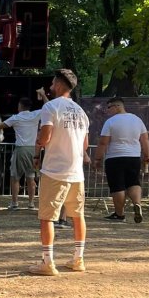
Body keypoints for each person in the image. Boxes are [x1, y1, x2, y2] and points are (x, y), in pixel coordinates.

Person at [29, 69, 90, 276]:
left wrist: (39, 142)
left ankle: (48, 262)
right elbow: (85, 145)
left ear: (60, 85)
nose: (51, 86)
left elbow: (45, 138)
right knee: (78, 215)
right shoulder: (81, 112)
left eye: (53, 83)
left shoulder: (50, 107)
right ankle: (78, 259)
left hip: (55, 170)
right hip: (76, 172)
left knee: (47, 217)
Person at [94, 97, 149, 223]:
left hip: (115, 158)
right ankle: (137, 203)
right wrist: (147, 155)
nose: (108, 110)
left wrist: (97, 158)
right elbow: (145, 139)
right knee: (134, 182)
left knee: (117, 186)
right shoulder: (137, 120)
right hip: (134, 157)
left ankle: (119, 214)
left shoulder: (110, 122)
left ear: (118, 106)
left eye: (109, 107)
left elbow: (103, 142)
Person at [0, 92, 45, 210]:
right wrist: (43, 95)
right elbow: (48, 106)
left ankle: (15, 202)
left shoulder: (16, 118)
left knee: (15, 176)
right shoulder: (36, 114)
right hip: (33, 150)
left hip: (21, 149)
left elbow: (0, 126)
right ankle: (31, 203)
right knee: (31, 177)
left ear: (20, 106)